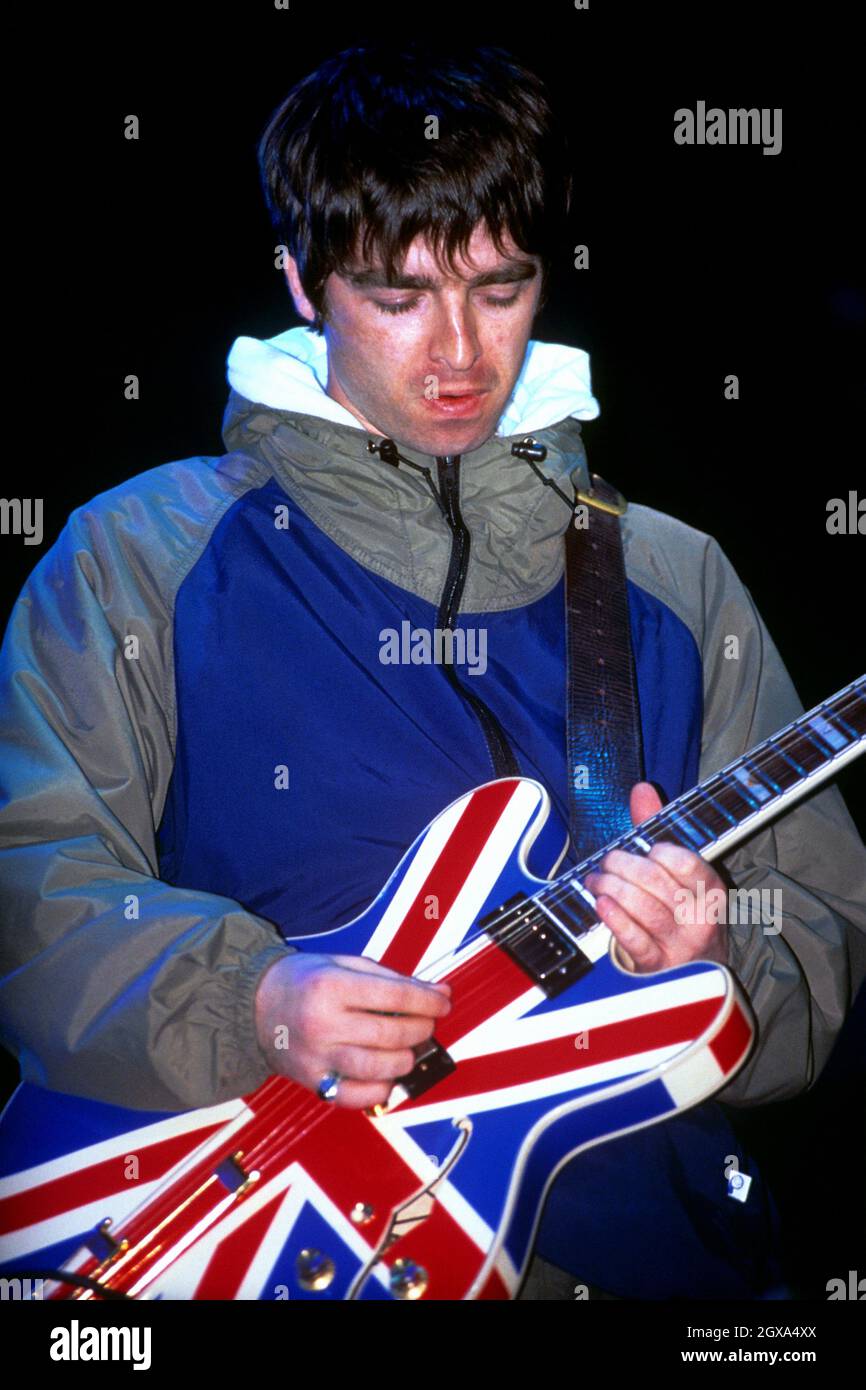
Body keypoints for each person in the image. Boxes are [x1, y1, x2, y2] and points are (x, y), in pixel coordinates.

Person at [1, 40, 865, 1302]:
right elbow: (30, 879)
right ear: (299, 282)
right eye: (397, 297)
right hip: (249, 1240)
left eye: (501, 287)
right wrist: (250, 997)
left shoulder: (674, 580)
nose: (460, 351)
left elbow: (818, 947)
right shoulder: (142, 552)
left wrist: (711, 962)